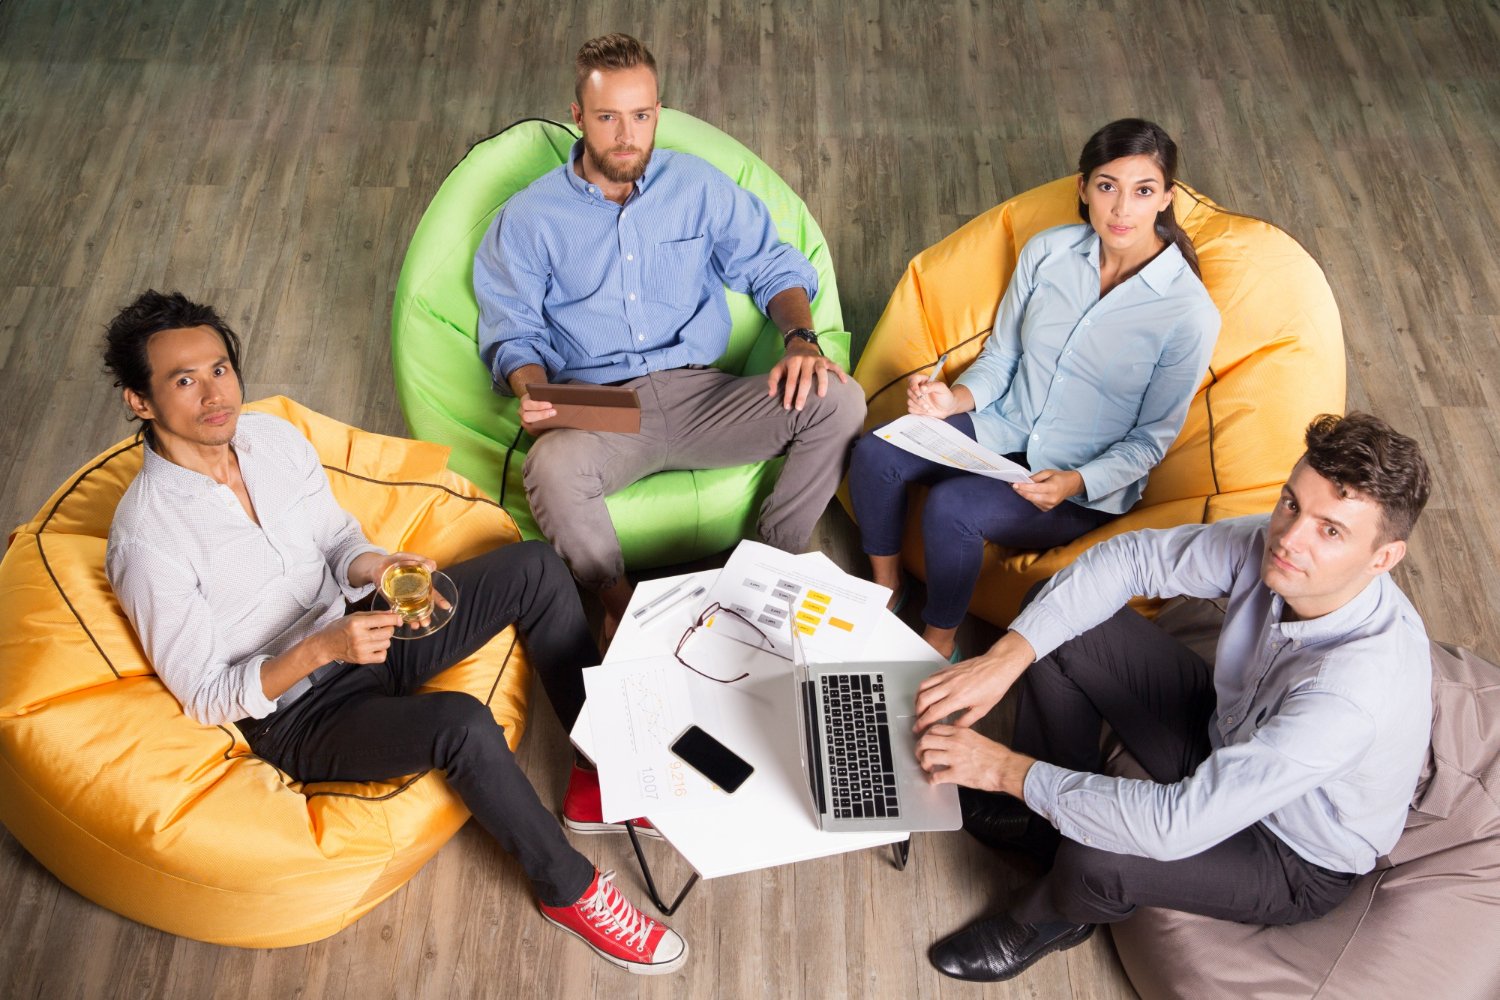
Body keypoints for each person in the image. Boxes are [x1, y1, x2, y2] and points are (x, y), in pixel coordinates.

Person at [101, 290, 686, 975]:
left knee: (533, 566)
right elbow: (205, 695)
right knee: (463, 724)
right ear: (139, 402)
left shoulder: (272, 441)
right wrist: (321, 649)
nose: (214, 393)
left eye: (220, 368)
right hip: (301, 713)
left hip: (364, 625)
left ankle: (600, 775)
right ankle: (570, 891)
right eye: (183, 380)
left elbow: (335, 538)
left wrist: (378, 563)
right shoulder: (147, 539)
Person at [910, 412, 1433, 983]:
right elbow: (1130, 559)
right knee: (1055, 618)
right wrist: (1004, 658)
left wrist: (1005, 770)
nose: (1289, 538)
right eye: (1291, 504)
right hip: (1227, 734)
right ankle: (1042, 827)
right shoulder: (1277, 544)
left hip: (1288, 849)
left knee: (1097, 857)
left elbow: (1175, 826)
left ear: (1383, 559)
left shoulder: (1350, 696)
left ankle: (1052, 917)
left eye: (1330, 530)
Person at [474, 33, 866, 637]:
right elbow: (512, 333)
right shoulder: (529, 218)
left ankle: (770, 566)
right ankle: (620, 608)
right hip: (606, 411)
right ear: (579, 117)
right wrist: (533, 388)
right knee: (550, 469)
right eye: (607, 118)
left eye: (641, 115)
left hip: (703, 396)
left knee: (840, 398)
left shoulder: (697, 186)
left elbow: (773, 266)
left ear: (658, 112)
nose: (627, 136)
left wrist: (801, 342)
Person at [848, 118, 1221, 659]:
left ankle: (939, 639)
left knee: (954, 508)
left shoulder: (1188, 313)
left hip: (1076, 479)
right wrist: (953, 400)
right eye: (1107, 186)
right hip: (1004, 425)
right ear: (1082, 187)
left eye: (1143, 191)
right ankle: (886, 588)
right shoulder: (1048, 252)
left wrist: (1074, 482)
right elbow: (1002, 356)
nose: (1121, 210)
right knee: (876, 451)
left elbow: (1150, 441)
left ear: (1166, 198)